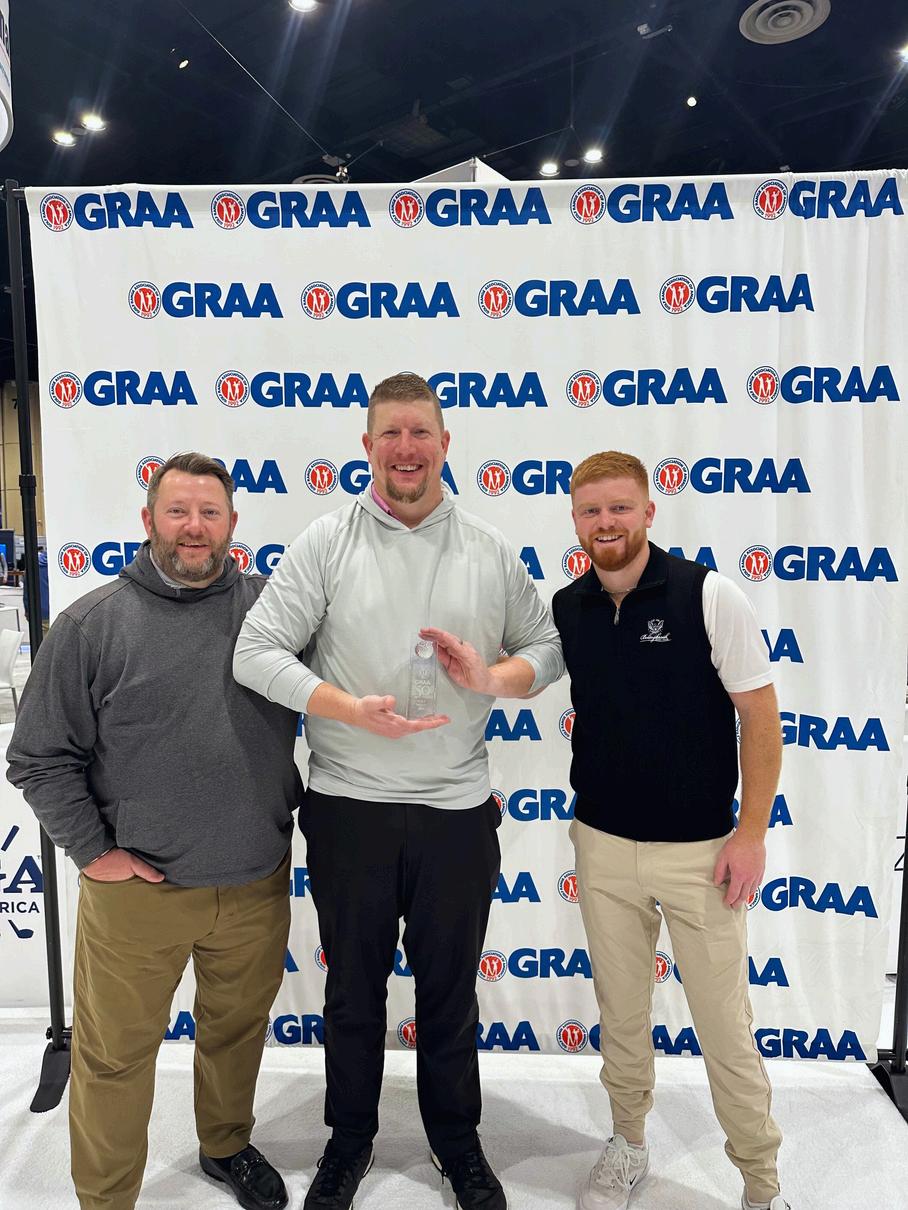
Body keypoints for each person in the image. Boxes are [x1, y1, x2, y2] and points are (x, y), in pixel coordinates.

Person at [234, 372, 563, 1210]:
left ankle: (457, 1143)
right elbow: (255, 652)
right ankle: (349, 1142)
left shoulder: (488, 548)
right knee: (352, 994)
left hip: (457, 812)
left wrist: (493, 677)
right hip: (350, 808)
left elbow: (548, 647)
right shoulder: (327, 542)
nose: (406, 449)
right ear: (368, 445)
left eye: (421, 433)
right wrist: (344, 709)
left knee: (450, 996)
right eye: (391, 433)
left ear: (446, 445)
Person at [7, 453, 301, 1210]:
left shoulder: (274, 614)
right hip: (139, 895)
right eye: (177, 511)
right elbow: (37, 757)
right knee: (113, 1057)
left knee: (236, 1032)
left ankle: (226, 1143)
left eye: (209, 513)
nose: (193, 528)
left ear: (233, 524)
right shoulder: (92, 625)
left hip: (254, 883)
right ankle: (106, 1200)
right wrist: (94, 852)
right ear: (148, 521)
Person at [551, 451, 789, 1210]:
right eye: (591, 510)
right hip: (603, 847)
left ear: (649, 512)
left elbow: (760, 717)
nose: (606, 522)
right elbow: (528, 674)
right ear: (575, 519)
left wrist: (751, 833)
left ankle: (761, 1184)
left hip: (702, 855)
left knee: (725, 1029)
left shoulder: (707, 594)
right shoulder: (570, 606)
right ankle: (628, 1142)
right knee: (622, 1018)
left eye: (620, 507)